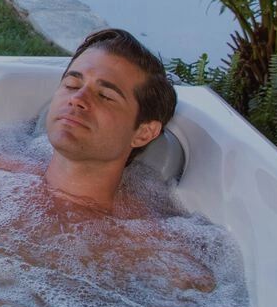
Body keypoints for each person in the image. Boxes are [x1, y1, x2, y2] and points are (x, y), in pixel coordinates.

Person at [39, 27, 177, 212]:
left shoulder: (137, 239)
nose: (77, 99)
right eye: (72, 85)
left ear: (143, 133)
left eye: (105, 96)